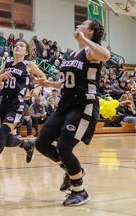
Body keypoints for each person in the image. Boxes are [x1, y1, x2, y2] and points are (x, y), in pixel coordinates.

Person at [34, 20, 109, 207]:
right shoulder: (72, 53)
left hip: (83, 104)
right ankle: (73, 170)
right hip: (65, 104)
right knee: (41, 143)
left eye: (83, 25)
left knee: (64, 146)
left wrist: (85, 40)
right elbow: (68, 81)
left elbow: (106, 55)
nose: (78, 25)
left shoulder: (91, 51)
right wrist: (50, 84)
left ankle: (79, 190)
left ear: (90, 31)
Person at [0, 40, 41, 177]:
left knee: (2, 133)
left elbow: (43, 77)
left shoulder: (29, 65)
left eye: (21, 45)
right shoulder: (8, 64)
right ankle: (27, 145)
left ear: (26, 52)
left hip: (18, 104)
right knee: (8, 140)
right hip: (5, 103)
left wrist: (38, 88)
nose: (18, 46)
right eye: (16, 45)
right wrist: (1, 76)